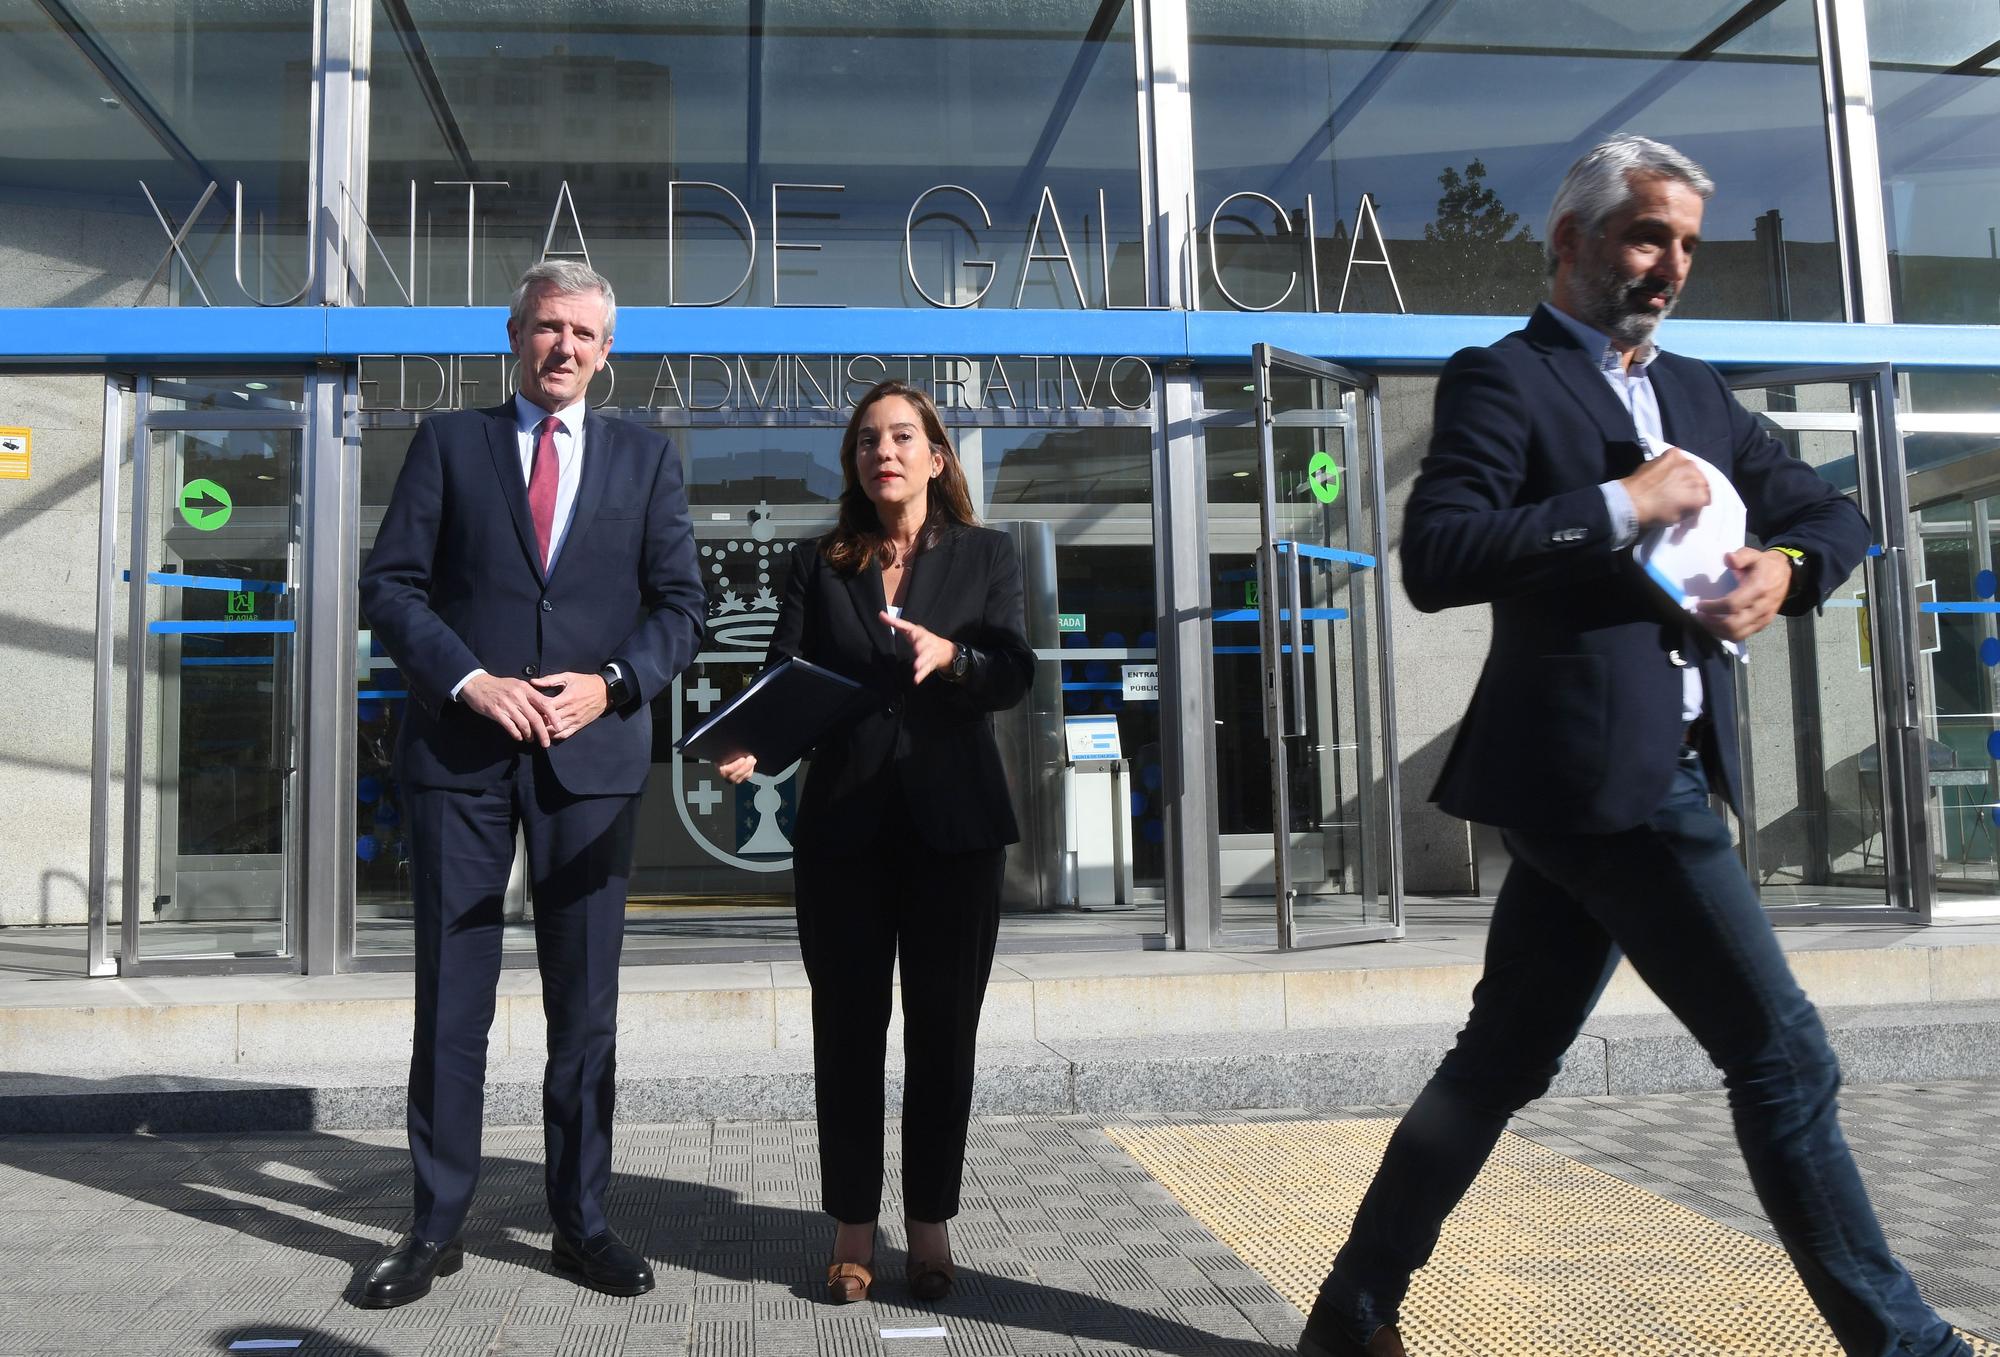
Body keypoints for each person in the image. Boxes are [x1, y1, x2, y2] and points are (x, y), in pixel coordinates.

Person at [1299, 136, 1973, 1357]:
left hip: (1648, 771)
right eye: (1644, 236)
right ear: (1569, 243)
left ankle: (1351, 1311)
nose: (1666, 266)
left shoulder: (1702, 395)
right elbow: (1437, 558)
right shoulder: (1500, 380)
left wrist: (1785, 564)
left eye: (1685, 247)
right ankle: (1906, 1345)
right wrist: (1622, 504)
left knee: (1498, 1059)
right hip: (1597, 779)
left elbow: (1832, 508)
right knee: (1780, 1055)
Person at [356, 260, 705, 1308]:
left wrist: (610, 686)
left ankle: (582, 1221)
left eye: (583, 335)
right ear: (513, 334)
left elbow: (681, 609)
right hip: (460, 761)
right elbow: (391, 585)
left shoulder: (646, 460)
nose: (563, 348)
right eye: (547, 327)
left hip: (587, 769)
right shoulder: (447, 444)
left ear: (608, 352)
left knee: (584, 1010)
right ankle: (432, 1225)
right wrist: (468, 680)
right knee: (451, 1000)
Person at [716, 379, 1034, 1306]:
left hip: (956, 833)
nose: (882, 452)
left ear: (937, 455)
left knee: (945, 1037)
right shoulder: (821, 562)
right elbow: (788, 673)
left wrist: (956, 658)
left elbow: (1014, 668)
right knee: (846, 1035)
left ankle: (929, 1225)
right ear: (854, 463)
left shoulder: (987, 554)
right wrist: (753, 743)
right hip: (845, 833)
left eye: (901, 437)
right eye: (865, 440)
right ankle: (853, 1225)